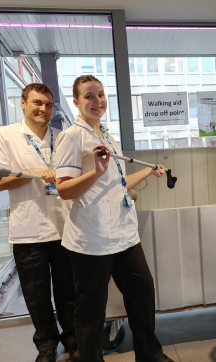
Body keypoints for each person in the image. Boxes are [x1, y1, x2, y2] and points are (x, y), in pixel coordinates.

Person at [54, 75, 175, 362]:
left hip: (123, 234)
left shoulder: (106, 134)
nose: (97, 101)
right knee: (91, 309)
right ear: (76, 102)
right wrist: (95, 172)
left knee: (142, 291)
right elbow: (63, 189)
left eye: (101, 95)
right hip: (91, 238)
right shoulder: (72, 136)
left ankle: (149, 354)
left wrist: (147, 172)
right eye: (89, 96)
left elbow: (116, 184)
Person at [0, 83, 77, 362]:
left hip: (64, 227)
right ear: (23, 103)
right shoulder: (6, 135)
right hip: (29, 231)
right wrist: (32, 173)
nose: (43, 109)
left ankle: (73, 340)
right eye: (37, 103)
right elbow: (0, 182)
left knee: (68, 290)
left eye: (48, 104)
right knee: (37, 297)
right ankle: (46, 346)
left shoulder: (62, 137)